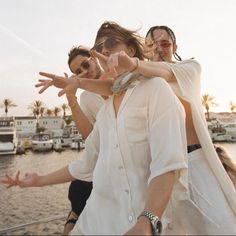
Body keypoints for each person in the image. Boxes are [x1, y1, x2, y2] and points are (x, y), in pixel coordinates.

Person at [2, 22, 189, 235]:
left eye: (111, 42)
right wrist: (37, 181)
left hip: (138, 221)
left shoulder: (156, 90)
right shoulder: (105, 111)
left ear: (130, 50)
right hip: (94, 220)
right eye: (99, 48)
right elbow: (87, 162)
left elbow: (167, 165)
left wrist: (147, 221)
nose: (105, 50)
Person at [92, 24, 236, 233]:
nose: (159, 48)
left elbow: (166, 73)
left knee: (222, 228)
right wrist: (76, 84)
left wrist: (132, 64)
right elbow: (112, 88)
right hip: (161, 173)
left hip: (196, 164)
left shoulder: (190, 69)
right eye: (151, 44)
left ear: (175, 47)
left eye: (165, 43)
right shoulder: (139, 79)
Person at [37, 46, 105, 235]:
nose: (85, 72)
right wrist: (71, 97)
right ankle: (73, 218)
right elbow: (88, 135)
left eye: (86, 64)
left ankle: (73, 217)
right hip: (105, 165)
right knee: (78, 191)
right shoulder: (87, 96)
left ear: (94, 58)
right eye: (78, 72)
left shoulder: (119, 77)